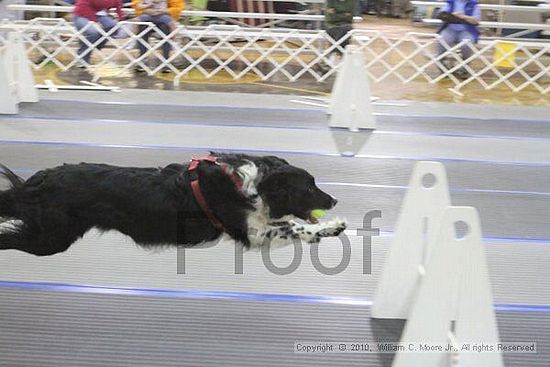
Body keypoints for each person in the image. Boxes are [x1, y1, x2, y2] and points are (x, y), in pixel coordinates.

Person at [131, 0, 184, 72]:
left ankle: (166, 60)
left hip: (165, 16)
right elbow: (137, 5)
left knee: (166, 30)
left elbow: (177, 8)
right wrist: (146, 10)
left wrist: (164, 11)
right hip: (147, 15)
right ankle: (142, 59)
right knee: (142, 27)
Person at [436, 0, 480, 77]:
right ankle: (442, 65)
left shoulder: (474, 4)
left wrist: (463, 17)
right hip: (450, 29)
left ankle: (464, 66)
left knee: (467, 44)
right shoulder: (450, 2)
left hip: (466, 30)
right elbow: (442, 14)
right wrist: (452, 15)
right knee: (442, 40)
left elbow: (476, 21)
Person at [73, 0, 125, 65]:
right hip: (82, 13)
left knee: (113, 27)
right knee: (93, 32)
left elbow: (118, 4)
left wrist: (121, 20)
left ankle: (94, 44)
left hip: (99, 14)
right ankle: (82, 56)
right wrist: (94, 21)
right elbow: (84, 5)